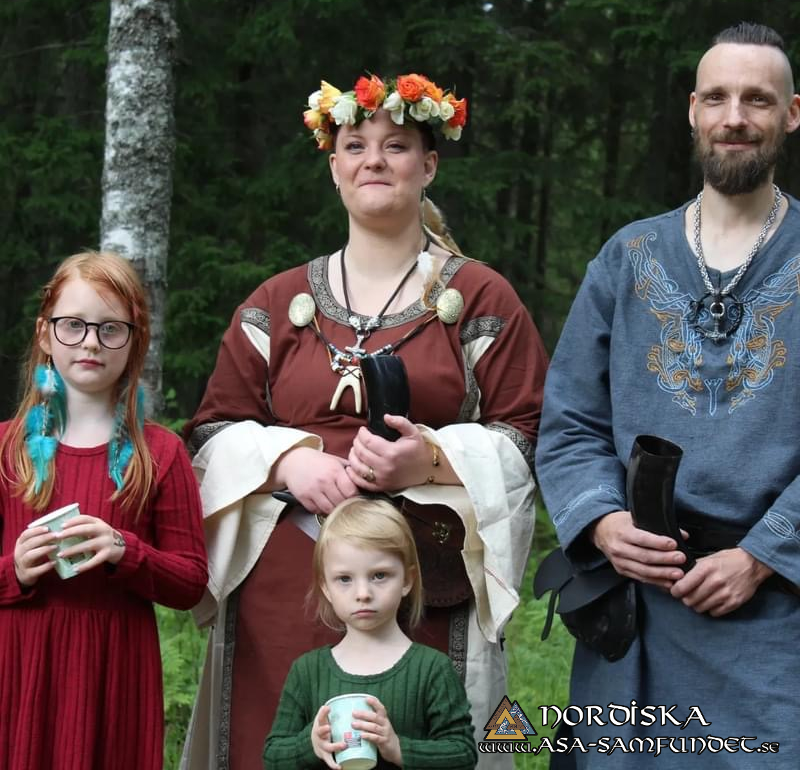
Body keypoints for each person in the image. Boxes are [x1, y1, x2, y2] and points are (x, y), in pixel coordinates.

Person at [181, 72, 548, 770]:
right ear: (334, 168)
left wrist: (431, 459)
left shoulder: (479, 296)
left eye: (398, 145)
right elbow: (212, 427)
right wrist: (288, 459)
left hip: (420, 586)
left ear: (429, 164)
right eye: (356, 144)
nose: (374, 160)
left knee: (420, 743)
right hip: (290, 587)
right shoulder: (276, 300)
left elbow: (530, 431)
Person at [535, 22, 800, 767]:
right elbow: (571, 424)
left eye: (757, 99)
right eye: (717, 97)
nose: (735, 117)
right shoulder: (628, 257)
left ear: (791, 113)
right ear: (693, 110)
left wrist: (763, 556)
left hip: (775, 620)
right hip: (639, 613)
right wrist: (602, 522)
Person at [0, 251, 209, 770]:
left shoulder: (160, 453)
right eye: (73, 325)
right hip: (19, 666)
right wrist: (15, 571)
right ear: (45, 335)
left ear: (135, 342)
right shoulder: (5, 449)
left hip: (116, 671)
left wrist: (126, 551)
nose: (91, 341)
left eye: (111, 328)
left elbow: (190, 583)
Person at [263, 496, 477, 769]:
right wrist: (310, 744)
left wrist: (398, 748)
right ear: (326, 588)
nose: (363, 594)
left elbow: (463, 754)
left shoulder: (433, 669)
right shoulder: (307, 672)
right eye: (344, 579)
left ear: (407, 580)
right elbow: (273, 756)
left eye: (379, 575)